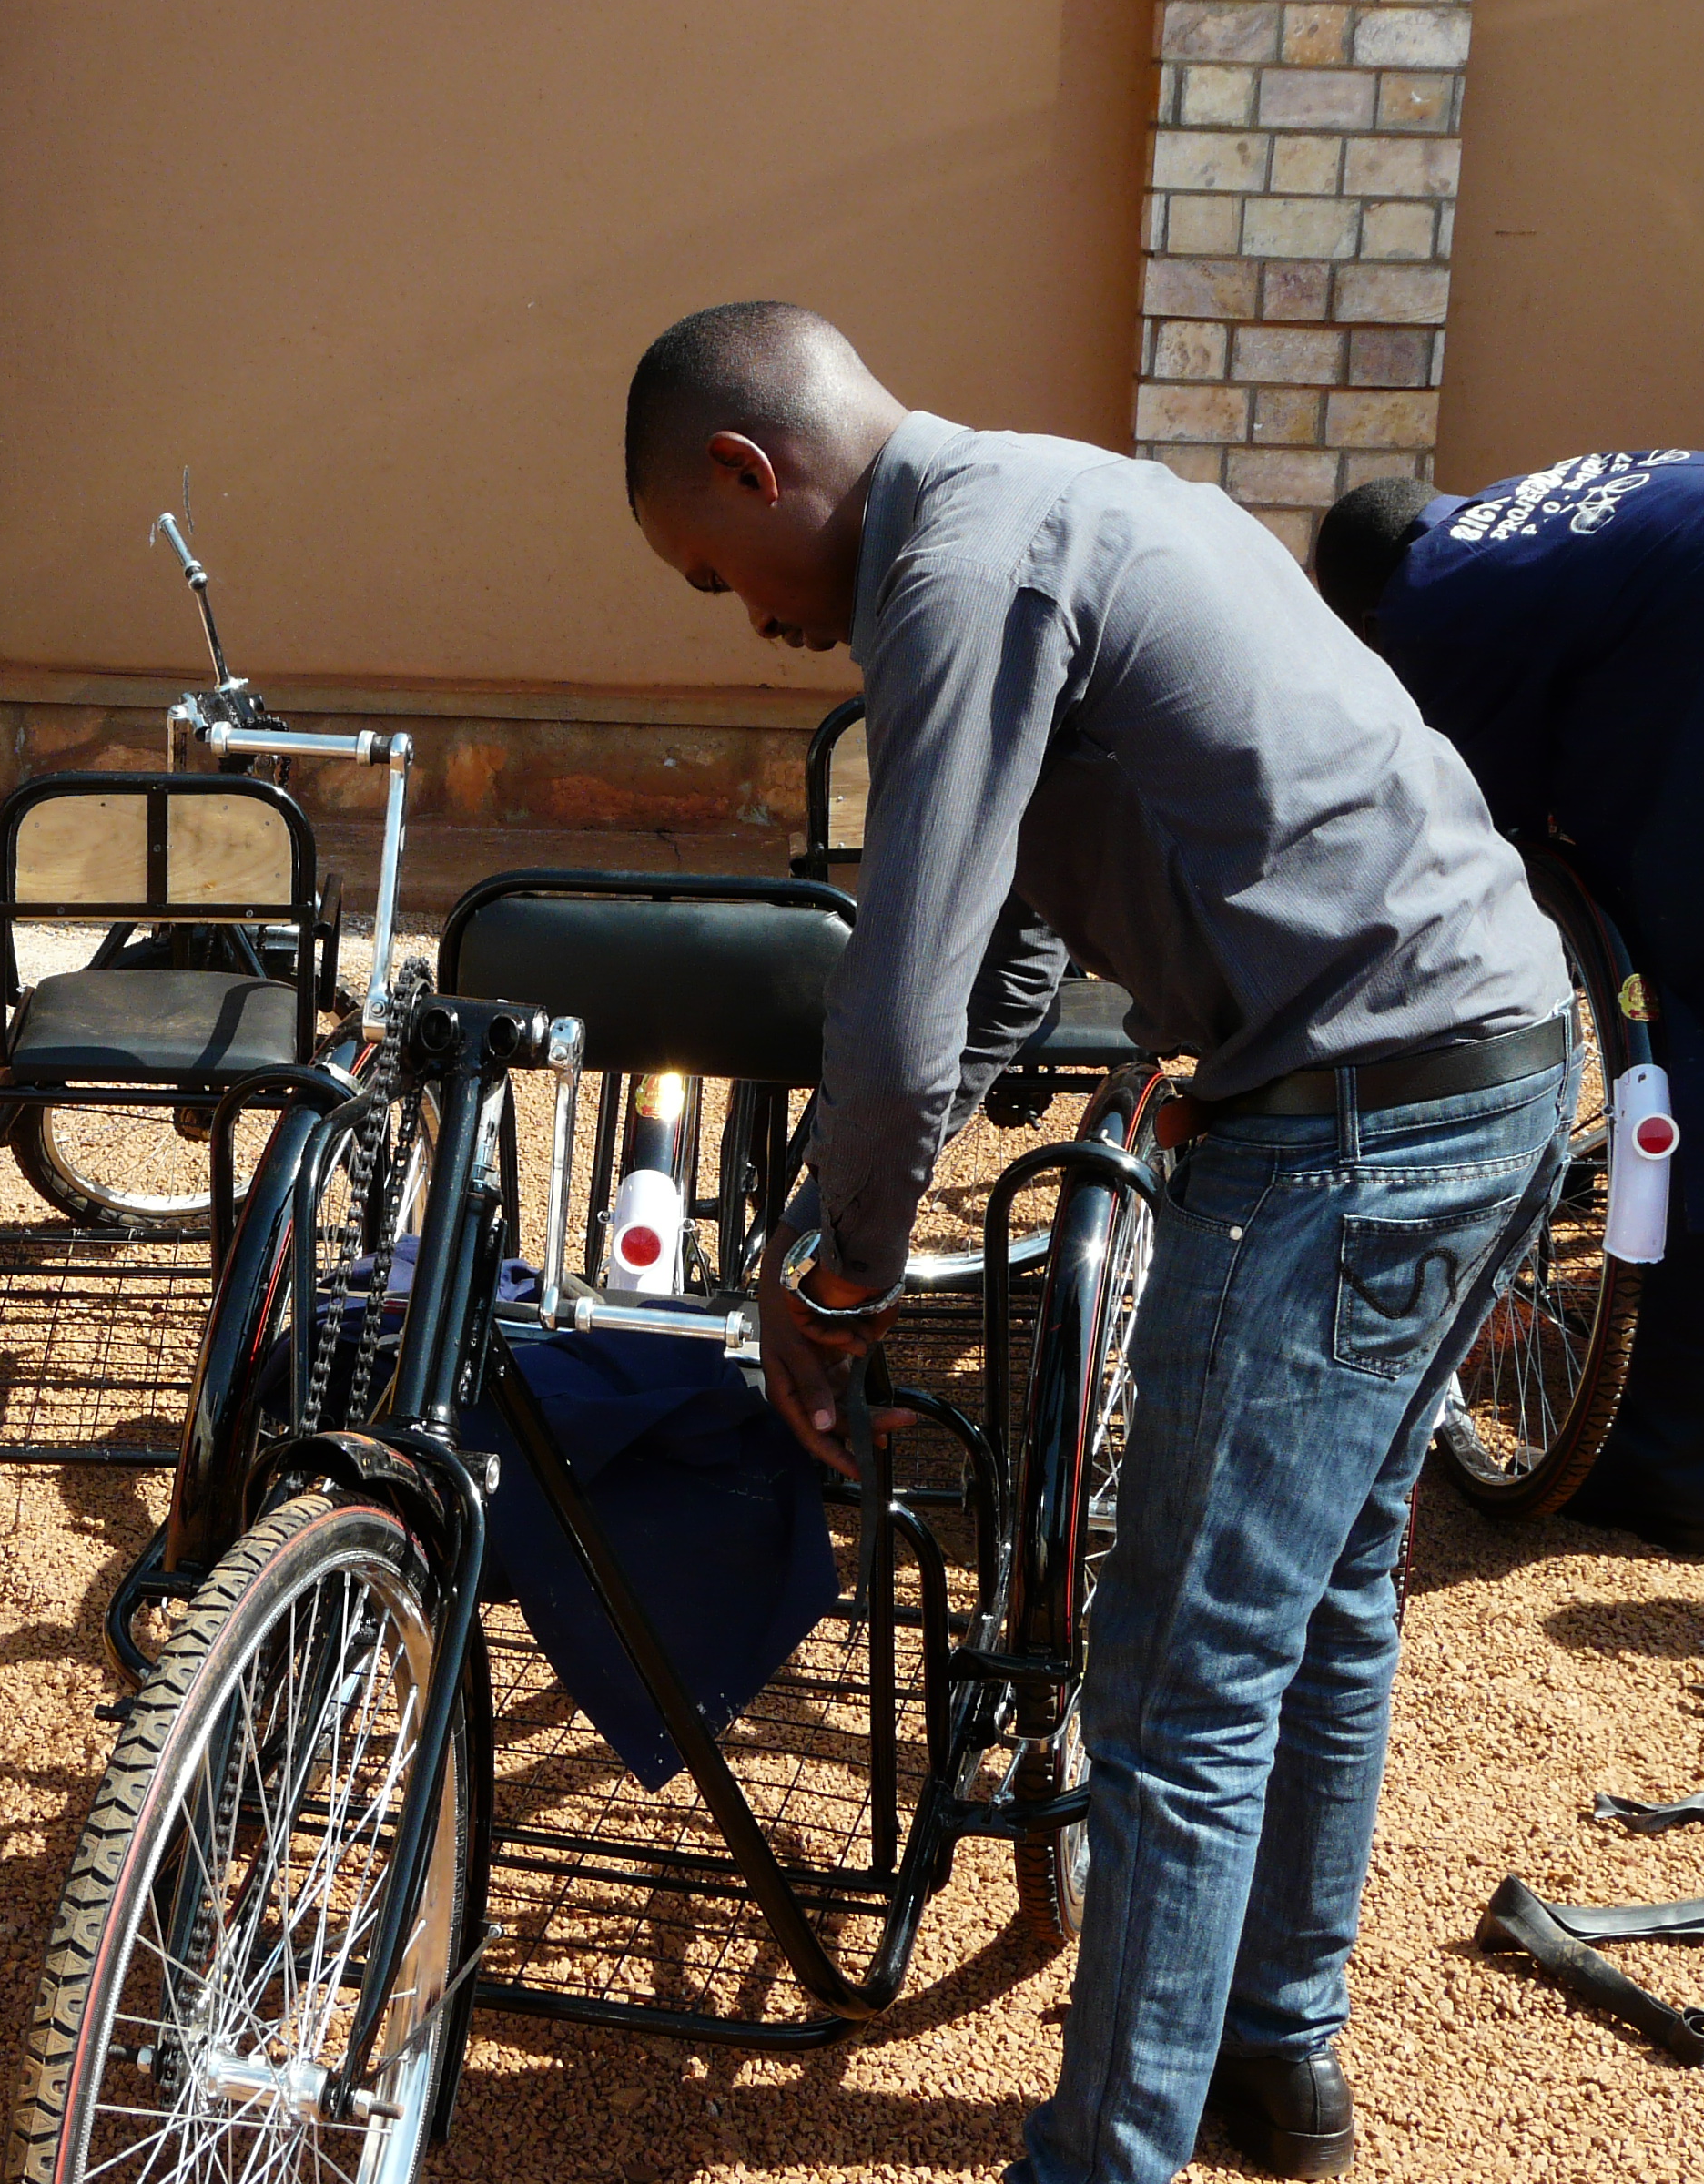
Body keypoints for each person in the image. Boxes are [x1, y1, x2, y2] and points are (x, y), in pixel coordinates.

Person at [624, 301, 1571, 2184]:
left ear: (751, 468)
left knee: (1174, 1680)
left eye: (718, 572)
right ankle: (1277, 2063)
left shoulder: (951, 577)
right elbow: (1008, 961)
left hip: (1352, 1129)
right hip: (1501, 1062)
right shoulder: (1058, 502)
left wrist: (836, 1272)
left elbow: (896, 1009)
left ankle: (1104, 2160)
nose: (751, 621)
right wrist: (855, 1197)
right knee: (1327, 1598)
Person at [1316, 457, 1704, 1565]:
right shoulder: (1526, 524)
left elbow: (1469, 827)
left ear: (1366, 612)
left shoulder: (1426, 599)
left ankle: (1679, 1469)